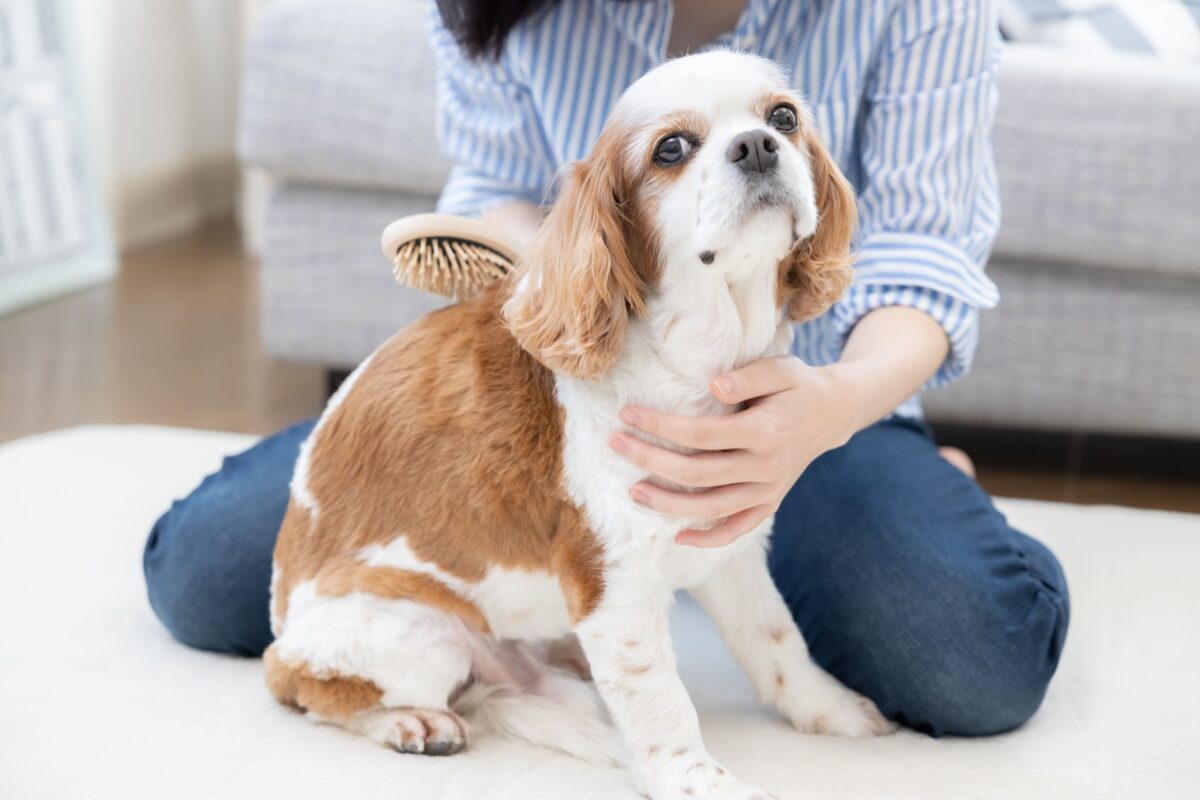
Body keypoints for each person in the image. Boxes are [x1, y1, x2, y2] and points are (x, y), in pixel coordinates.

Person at [144, 0, 1069, 738]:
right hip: (568, 397)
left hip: (823, 399)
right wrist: (584, 277)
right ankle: (637, 574)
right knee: (205, 574)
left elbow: (922, 252)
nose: (754, 148)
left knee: (971, 658)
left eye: (778, 122)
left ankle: (911, 488)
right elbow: (491, 191)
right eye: (679, 150)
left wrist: (836, 405)